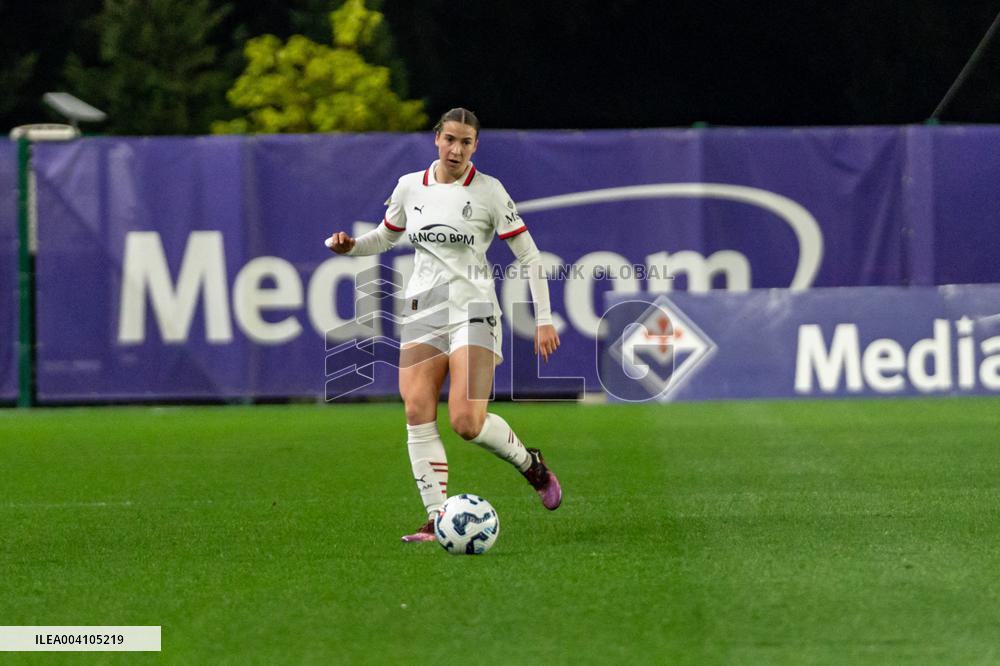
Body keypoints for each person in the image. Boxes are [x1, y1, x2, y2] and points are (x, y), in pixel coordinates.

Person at [326, 107, 562, 542]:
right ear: (437, 138)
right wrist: (352, 246)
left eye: (465, 142)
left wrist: (544, 320)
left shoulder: (490, 192)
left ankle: (531, 465)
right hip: (423, 310)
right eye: (449, 139)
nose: (456, 149)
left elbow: (529, 256)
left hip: (474, 309)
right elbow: (387, 234)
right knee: (416, 409)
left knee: (466, 423)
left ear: (475, 146)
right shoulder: (409, 186)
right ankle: (436, 518)